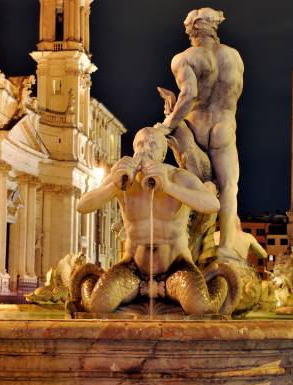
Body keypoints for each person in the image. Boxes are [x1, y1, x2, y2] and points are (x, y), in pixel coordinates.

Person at [75, 126, 239, 314]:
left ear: (162, 154)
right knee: (98, 305)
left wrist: (168, 186)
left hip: (175, 266)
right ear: (134, 149)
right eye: (141, 144)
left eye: (153, 144)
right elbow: (82, 205)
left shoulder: (179, 177)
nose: (146, 148)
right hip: (133, 267)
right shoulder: (122, 178)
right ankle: (95, 279)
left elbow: (212, 204)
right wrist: (114, 185)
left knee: (200, 307)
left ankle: (215, 280)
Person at [160, 7, 244, 260]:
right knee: (229, 187)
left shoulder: (184, 58)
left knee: (188, 188)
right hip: (225, 126)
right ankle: (226, 247)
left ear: (191, 30)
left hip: (196, 126)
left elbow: (189, 96)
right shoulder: (234, 57)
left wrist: (167, 123)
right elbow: (232, 95)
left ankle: (184, 245)